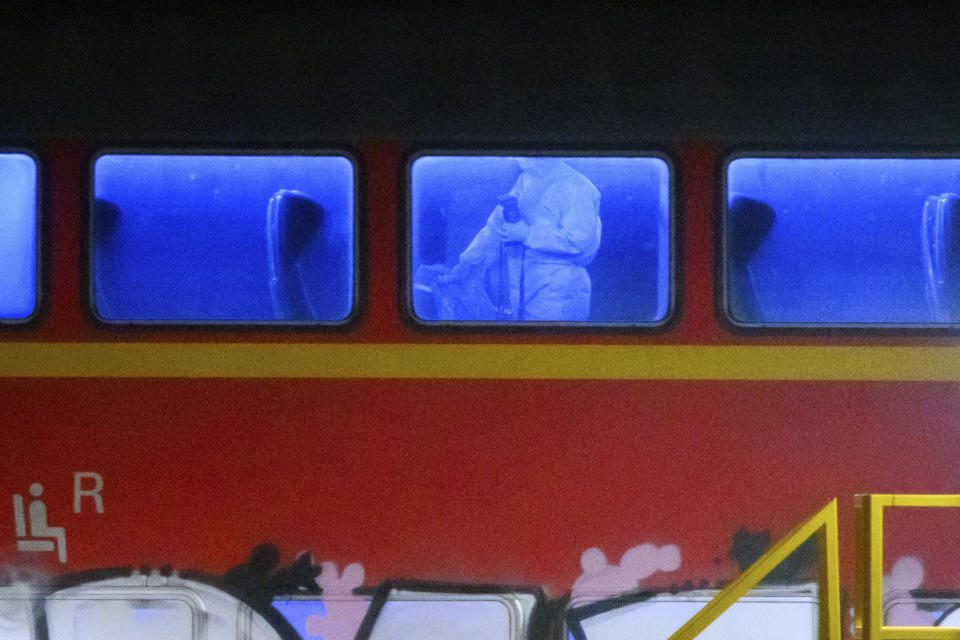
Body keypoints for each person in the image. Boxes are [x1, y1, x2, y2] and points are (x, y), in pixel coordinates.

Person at [441, 158, 601, 321]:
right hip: (522, 286)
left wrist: (529, 234)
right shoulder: (526, 180)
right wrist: (467, 265)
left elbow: (579, 241)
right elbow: (495, 229)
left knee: (552, 343)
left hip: (559, 290)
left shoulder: (577, 187)